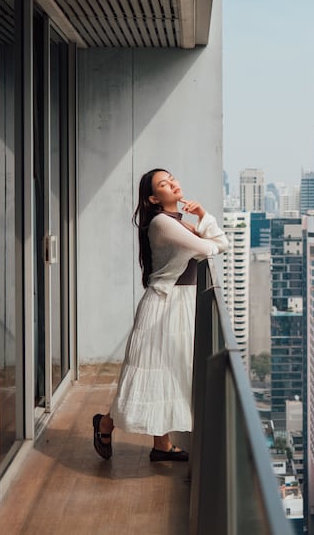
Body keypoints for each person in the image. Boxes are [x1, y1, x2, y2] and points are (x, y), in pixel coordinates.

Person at [92, 168, 228, 462]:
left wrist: (202, 213)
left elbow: (216, 244)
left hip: (180, 302)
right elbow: (212, 247)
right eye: (164, 184)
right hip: (165, 305)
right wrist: (202, 227)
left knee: (171, 372)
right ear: (154, 198)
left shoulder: (177, 222)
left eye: (173, 179)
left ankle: (161, 446)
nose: (173, 184)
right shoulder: (163, 224)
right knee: (149, 375)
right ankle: (104, 423)